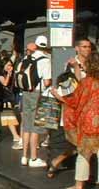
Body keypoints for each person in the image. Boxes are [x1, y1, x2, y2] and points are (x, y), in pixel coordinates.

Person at [51, 52, 99, 189]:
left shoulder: (86, 82)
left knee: (84, 154)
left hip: (87, 122)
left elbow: (74, 101)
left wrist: (58, 95)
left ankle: (78, 186)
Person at [46, 37, 92, 179]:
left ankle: (85, 173)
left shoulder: (92, 64)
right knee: (79, 143)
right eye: (84, 46)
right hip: (74, 109)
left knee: (86, 142)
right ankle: (59, 161)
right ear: (77, 48)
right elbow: (75, 88)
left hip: (89, 108)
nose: (87, 49)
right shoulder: (70, 65)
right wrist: (77, 67)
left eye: (89, 47)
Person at [18, 37, 51, 168]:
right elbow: (47, 82)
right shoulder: (45, 60)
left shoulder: (26, 58)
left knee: (26, 126)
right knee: (36, 127)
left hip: (26, 93)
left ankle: (24, 157)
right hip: (38, 93)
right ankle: (34, 158)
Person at [0, 58, 22, 144]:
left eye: (11, 65)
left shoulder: (14, 74)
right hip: (4, 97)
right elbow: (5, 83)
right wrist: (8, 74)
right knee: (9, 116)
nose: (9, 67)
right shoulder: (0, 73)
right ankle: (15, 136)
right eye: (7, 65)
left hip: (13, 96)